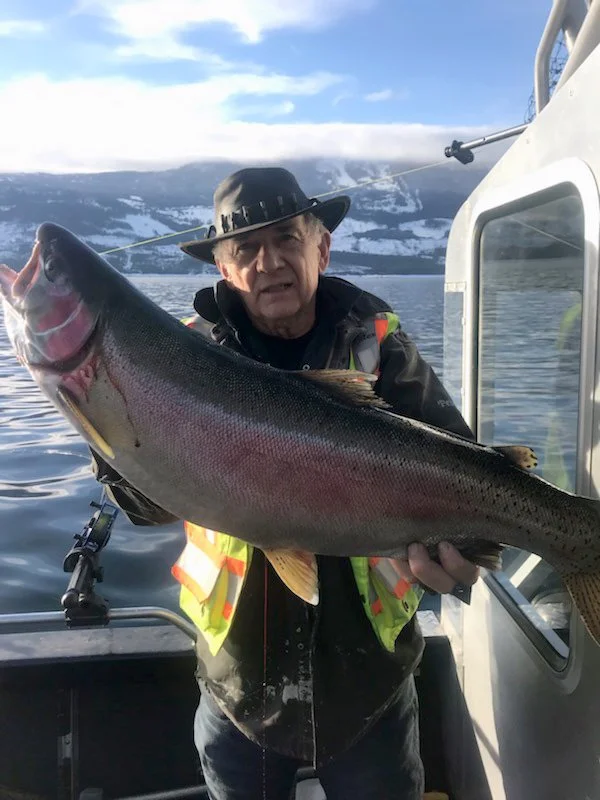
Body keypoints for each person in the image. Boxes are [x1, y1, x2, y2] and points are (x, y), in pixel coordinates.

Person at [91, 166, 480, 800]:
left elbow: (461, 466)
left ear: (320, 247)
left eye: (287, 240)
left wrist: (460, 556)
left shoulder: (378, 343)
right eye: (245, 248)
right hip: (238, 684)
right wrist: (102, 413)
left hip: (371, 681)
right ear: (222, 266)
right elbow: (145, 509)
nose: (268, 261)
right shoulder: (179, 358)